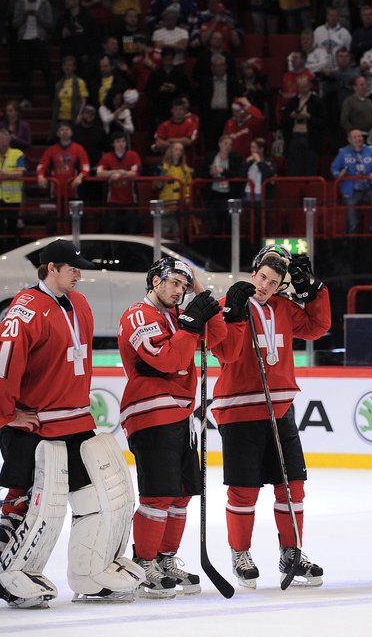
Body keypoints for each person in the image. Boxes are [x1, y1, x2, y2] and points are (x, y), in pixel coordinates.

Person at [0, 239, 144, 607]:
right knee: (31, 505)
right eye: (73, 268)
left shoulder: (79, 302)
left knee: (97, 501)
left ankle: (89, 572)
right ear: (51, 268)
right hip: (34, 427)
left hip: (76, 421)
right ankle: (8, 571)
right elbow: (5, 366)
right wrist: (7, 413)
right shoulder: (24, 311)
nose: (80, 274)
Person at [210, 246, 330, 589]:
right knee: (244, 491)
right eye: (262, 277)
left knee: (292, 488)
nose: (265, 285)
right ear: (253, 274)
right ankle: (240, 553)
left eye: (274, 281)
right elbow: (227, 353)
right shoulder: (229, 306)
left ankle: (291, 552)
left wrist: (314, 292)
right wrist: (232, 314)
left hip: (280, 409)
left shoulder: (284, 307)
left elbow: (318, 326)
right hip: (239, 409)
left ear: (280, 286)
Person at [118, 259, 222, 597]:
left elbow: (222, 343)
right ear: (154, 282)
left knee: (181, 495)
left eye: (184, 285)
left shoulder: (177, 318)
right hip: (150, 412)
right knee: (158, 494)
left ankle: (165, 559)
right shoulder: (138, 314)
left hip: (180, 414)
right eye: (173, 282)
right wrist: (191, 326)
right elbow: (168, 360)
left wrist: (203, 294)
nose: (179, 290)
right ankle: (144, 561)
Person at [332, 129, 372, 234]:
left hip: (368, 189)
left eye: (360, 136)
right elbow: (334, 169)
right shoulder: (343, 152)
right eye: (355, 137)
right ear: (349, 140)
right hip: (351, 192)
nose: (358, 139)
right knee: (353, 224)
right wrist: (339, 174)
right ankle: (353, 241)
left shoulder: (371, 151)